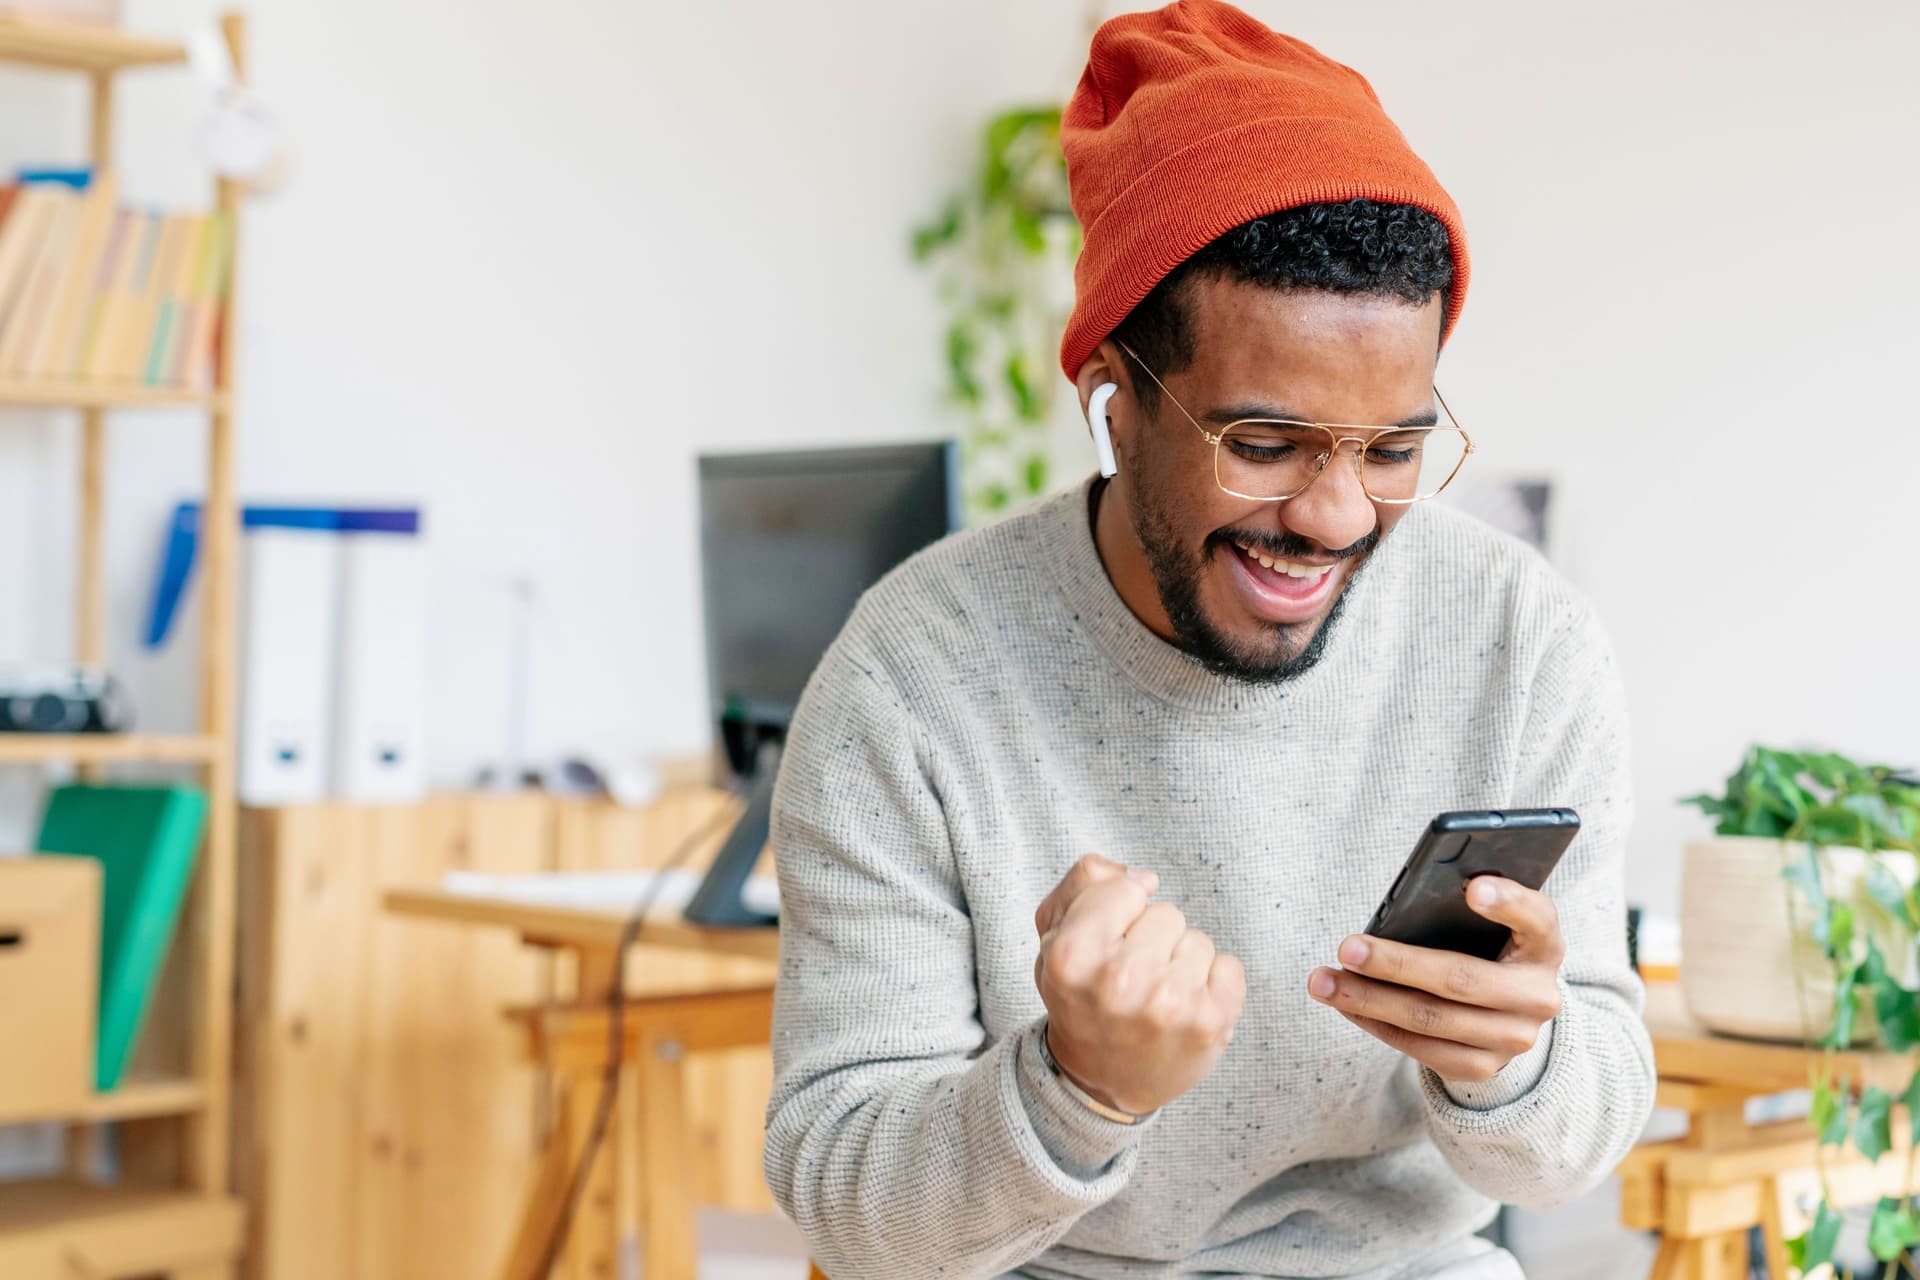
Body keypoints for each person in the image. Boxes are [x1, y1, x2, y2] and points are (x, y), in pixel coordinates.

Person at [762, 2, 1654, 1276]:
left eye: (1394, 450)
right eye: (1266, 444)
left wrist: (1517, 1058)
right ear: (1115, 405)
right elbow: (843, 1201)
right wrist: (1073, 1089)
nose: (1336, 515)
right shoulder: (913, 676)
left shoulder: (1522, 639)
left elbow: (1581, 1133)